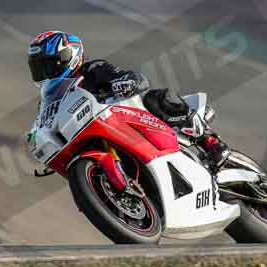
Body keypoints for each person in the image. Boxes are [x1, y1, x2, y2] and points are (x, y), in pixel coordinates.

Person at [27, 30, 229, 168]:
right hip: (94, 135)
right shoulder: (50, 101)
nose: (45, 72)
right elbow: (46, 125)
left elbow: (133, 78)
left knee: (156, 97)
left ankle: (208, 141)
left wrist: (126, 82)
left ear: (67, 57)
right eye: (38, 68)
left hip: (129, 119)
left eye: (48, 65)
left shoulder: (92, 70)